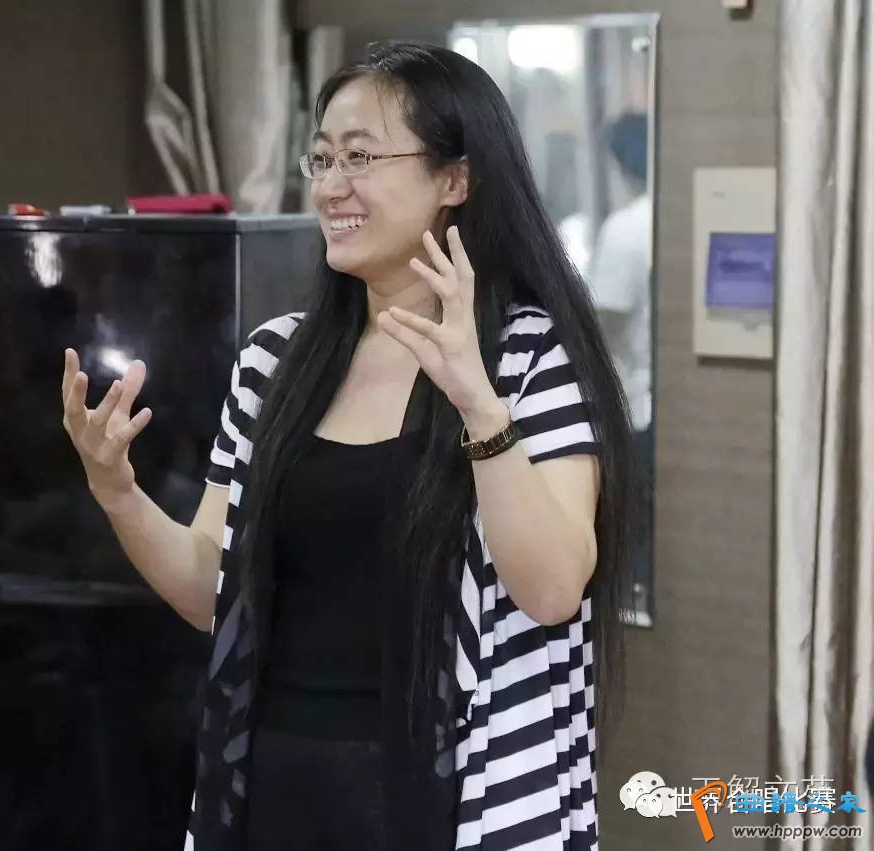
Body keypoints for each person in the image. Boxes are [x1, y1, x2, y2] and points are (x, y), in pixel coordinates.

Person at [62, 40, 637, 851]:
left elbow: (551, 588)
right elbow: (209, 590)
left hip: (454, 794)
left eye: (361, 157)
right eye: (323, 157)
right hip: (276, 784)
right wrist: (117, 492)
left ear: (454, 179)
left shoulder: (527, 355)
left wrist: (478, 404)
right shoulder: (273, 361)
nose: (332, 185)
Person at [586, 111, 653, 603]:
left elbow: (600, 326)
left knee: (633, 540)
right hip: (660, 405)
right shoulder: (663, 220)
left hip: (634, 408)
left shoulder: (627, 230)